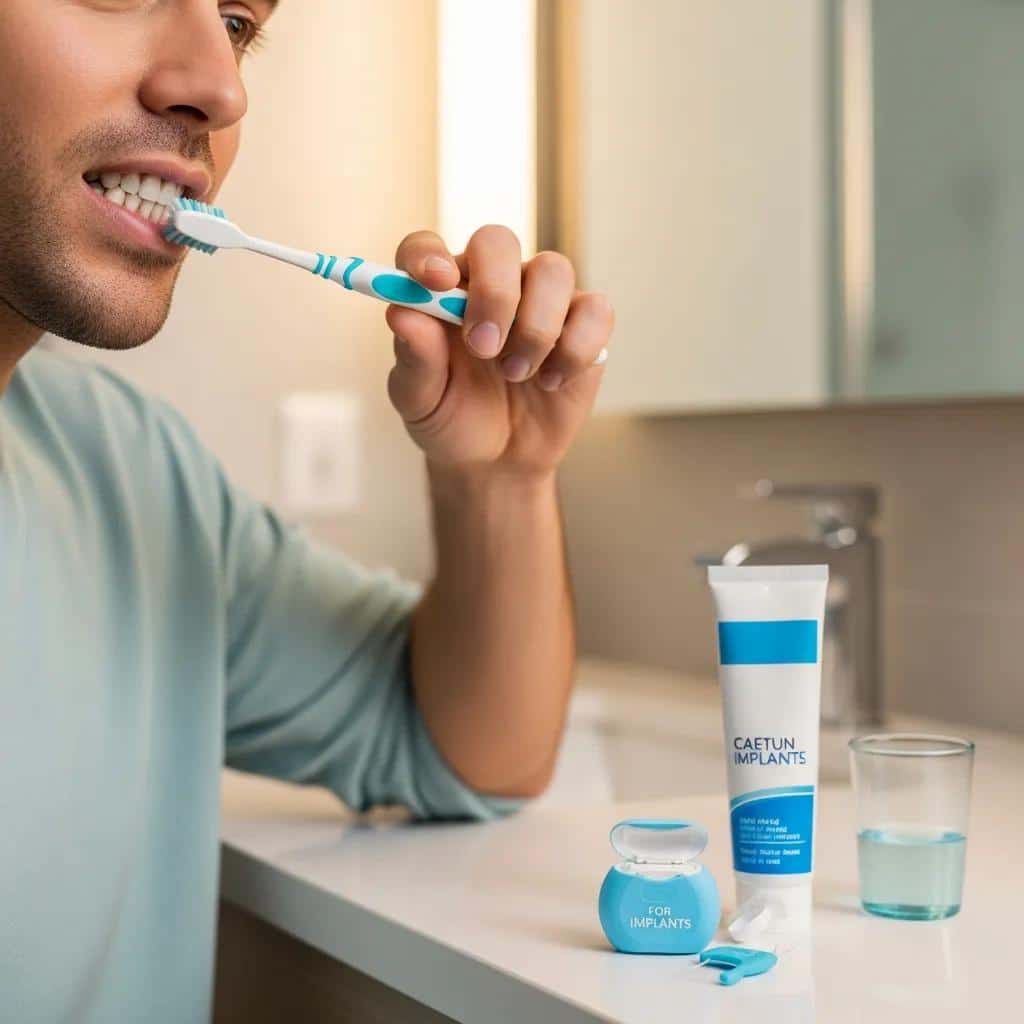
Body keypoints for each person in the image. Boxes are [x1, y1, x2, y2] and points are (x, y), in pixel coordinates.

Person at [0, 1, 614, 1020]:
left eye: (238, 22)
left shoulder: (130, 477)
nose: (220, 84)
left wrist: (498, 480)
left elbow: (467, 749)